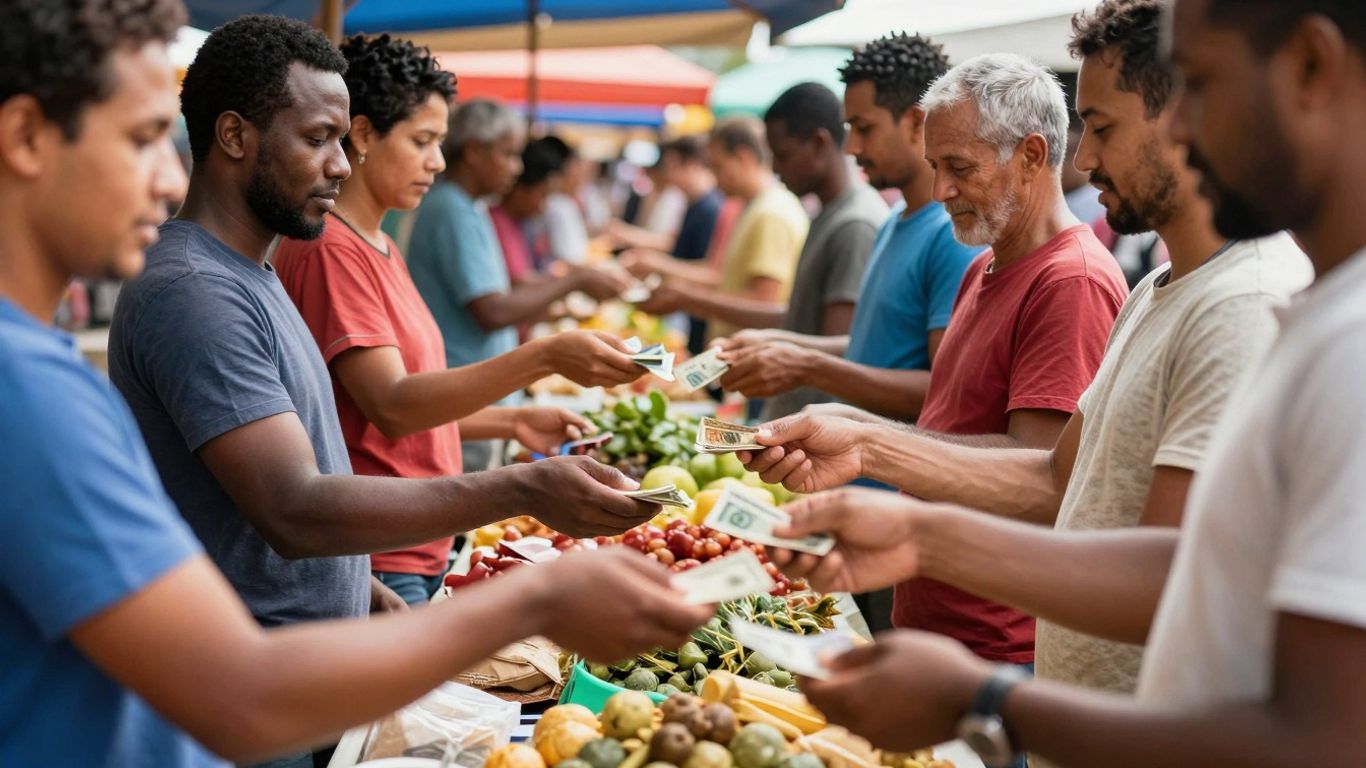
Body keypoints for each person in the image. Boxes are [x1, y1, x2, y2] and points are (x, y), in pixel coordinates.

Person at [0, 4, 710, 767]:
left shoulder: (253, 277)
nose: (169, 173)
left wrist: (353, 590)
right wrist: (533, 568)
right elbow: (283, 545)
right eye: (142, 140)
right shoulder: (107, 340)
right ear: (28, 138)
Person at [764, 2, 1366, 766]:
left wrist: (988, 700)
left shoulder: (1268, 309)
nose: (1180, 128)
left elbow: (1324, 736)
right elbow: (1101, 508)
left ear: (1312, 66)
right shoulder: (1182, 292)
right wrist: (906, 517)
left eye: (1199, 87)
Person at [764, 54, 1132, 675]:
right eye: (936, 167)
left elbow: (1036, 476)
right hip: (937, 621)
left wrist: (868, 444)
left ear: (1032, 156)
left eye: (959, 169)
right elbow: (949, 424)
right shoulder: (981, 266)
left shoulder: (1072, 281)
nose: (940, 193)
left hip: (993, 649)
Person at [273, 35, 649, 606]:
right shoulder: (331, 250)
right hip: (384, 551)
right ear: (367, 135)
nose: (438, 162)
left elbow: (386, 414)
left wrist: (510, 424)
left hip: (418, 541)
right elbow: (394, 407)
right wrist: (544, 357)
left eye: (440, 143)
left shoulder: (377, 243)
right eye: (422, 141)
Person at [712, 33, 982, 422]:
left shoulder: (953, 235)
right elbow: (871, 348)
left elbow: (945, 391)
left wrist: (807, 366)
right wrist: (780, 344)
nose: (852, 146)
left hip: (884, 482)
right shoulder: (894, 221)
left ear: (915, 121)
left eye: (864, 128)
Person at [406, 102, 631, 471]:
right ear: (474, 152)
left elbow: (499, 287)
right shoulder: (451, 210)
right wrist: (573, 281)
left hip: (479, 399)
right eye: (508, 154)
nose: (516, 167)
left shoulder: (467, 207)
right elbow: (492, 311)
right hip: (467, 398)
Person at [656, 82, 890, 421]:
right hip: (793, 419)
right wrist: (760, 340)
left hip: (814, 430)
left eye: (782, 155)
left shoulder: (854, 224)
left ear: (818, 144)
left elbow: (839, 349)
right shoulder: (829, 213)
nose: (776, 169)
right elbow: (802, 319)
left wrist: (763, 343)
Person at [628, 117, 808, 341]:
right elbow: (723, 276)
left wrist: (688, 298)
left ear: (743, 158)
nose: (714, 178)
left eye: (717, 166)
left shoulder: (770, 213)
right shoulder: (752, 208)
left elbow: (764, 303)